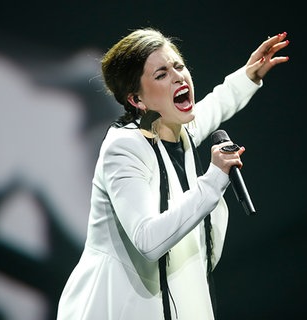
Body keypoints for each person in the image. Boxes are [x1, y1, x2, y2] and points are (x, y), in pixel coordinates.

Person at [56, 27, 289, 320]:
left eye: (178, 66)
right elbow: (147, 239)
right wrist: (214, 179)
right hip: (121, 308)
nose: (178, 76)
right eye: (161, 74)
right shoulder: (125, 148)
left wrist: (249, 75)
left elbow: (215, 105)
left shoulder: (178, 130)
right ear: (136, 100)